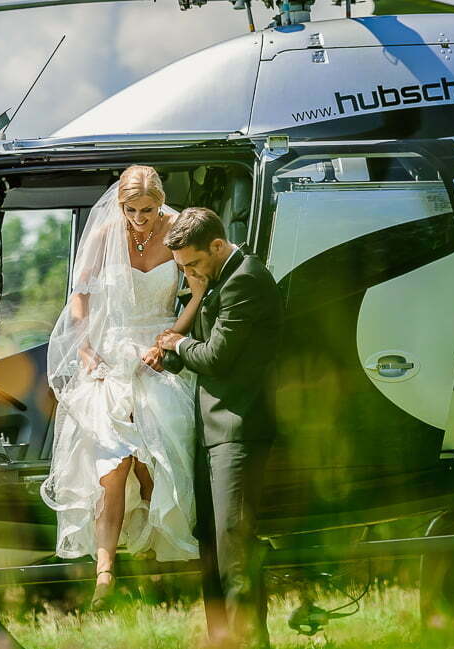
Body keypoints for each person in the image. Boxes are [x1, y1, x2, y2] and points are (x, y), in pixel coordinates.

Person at [40, 165, 204, 610]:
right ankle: (104, 573)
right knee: (110, 469)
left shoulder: (178, 230)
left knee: (155, 460)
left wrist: (173, 338)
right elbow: (80, 295)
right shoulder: (104, 234)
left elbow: (197, 291)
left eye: (148, 210)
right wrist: (86, 347)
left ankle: (157, 563)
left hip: (158, 351)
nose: (140, 219)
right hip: (109, 353)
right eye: (131, 210)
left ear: (160, 202)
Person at [154, 207, 284, 649]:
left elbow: (215, 357)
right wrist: (168, 351)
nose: (189, 273)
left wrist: (178, 343)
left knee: (235, 552)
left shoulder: (246, 279)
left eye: (193, 264)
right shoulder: (215, 279)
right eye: (182, 268)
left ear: (216, 245)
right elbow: (197, 350)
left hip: (240, 428)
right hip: (211, 430)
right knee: (210, 548)